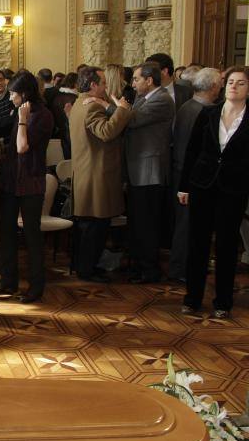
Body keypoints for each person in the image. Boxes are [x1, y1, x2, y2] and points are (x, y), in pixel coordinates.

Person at [178, 67, 249, 319]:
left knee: (227, 246)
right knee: (197, 243)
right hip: (202, 185)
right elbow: (191, 151)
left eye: (240, 83)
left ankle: (223, 302)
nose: (234, 86)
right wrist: (184, 186)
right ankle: (192, 299)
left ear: (247, 89)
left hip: (234, 188)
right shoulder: (208, 113)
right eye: (230, 82)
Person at [69, 66, 132, 283]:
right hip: (96, 174)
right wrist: (122, 110)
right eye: (103, 83)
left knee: (89, 226)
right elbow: (105, 133)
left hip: (86, 171)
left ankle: (84, 266)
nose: (107, 86)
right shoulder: (92, 107)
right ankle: (87, 269)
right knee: (95, 227)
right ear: (94, 85)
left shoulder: (79, 102)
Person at [0, 71, 54, 303]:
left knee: (32, 235)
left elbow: (22, 147)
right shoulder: (19, 110)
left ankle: (36, 286)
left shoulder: (43, 115)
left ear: (25, 93)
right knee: (7, 232)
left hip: (31, 182)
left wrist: (21, 120)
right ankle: (7, 281)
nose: (10, 98)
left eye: (13, 93)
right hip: (11, 180)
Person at [168, 68, 221, 282]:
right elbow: (190, 150)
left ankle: (185, 267)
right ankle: (181, 269)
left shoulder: (187, 106)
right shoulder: (201, 111)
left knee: (187, 224)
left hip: (183, 173)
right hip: (189, 176)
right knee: (186, 226)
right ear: (214, 87)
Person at [124, 62, 175, 283]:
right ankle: (137, 265)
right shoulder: (144, 98)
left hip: (150, 170)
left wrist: (108, 105)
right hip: (138, 169)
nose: (133, 84)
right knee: (137, 221)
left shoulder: (162, 99)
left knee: (147, 223)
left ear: (149, 80)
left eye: (136, 79)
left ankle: (149, 270)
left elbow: (132, 120)